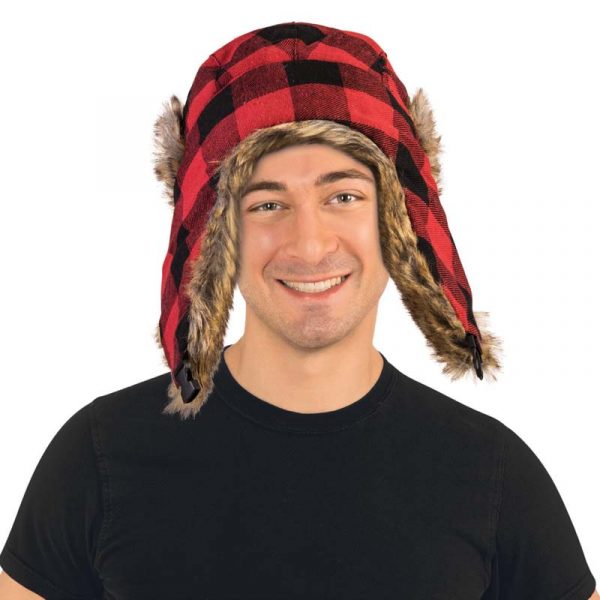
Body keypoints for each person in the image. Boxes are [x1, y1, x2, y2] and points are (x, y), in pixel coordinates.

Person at [0, 20, 597, 600]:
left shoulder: (490, 472)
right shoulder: (100, 455)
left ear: (398, 221)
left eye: (344, 196)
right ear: (215, 234)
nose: (309, 246)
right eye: (266, 204)